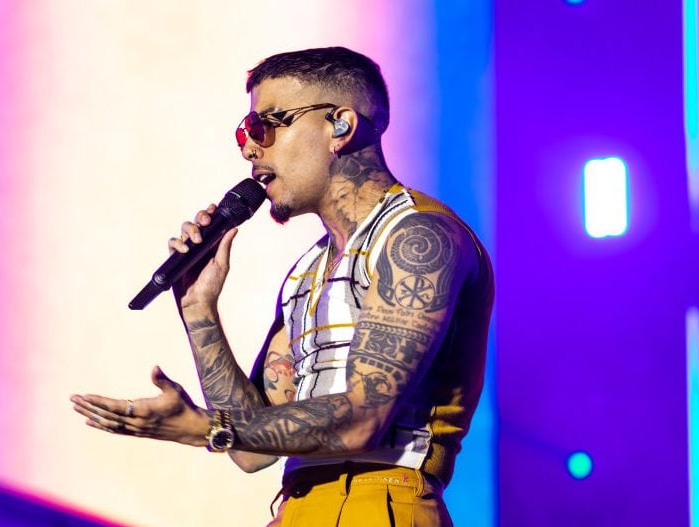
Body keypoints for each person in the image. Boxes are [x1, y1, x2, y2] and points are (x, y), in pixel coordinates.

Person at [71, 46, 494, 526]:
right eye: (245, 133)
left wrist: (206, 428)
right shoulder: (308, 270)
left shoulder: (418, 237)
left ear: (341, 125)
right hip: (298, 506)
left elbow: (361, 420)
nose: (250, 147)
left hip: (379, 501)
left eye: (266, 125)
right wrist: (198, 307)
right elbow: (252, 453)